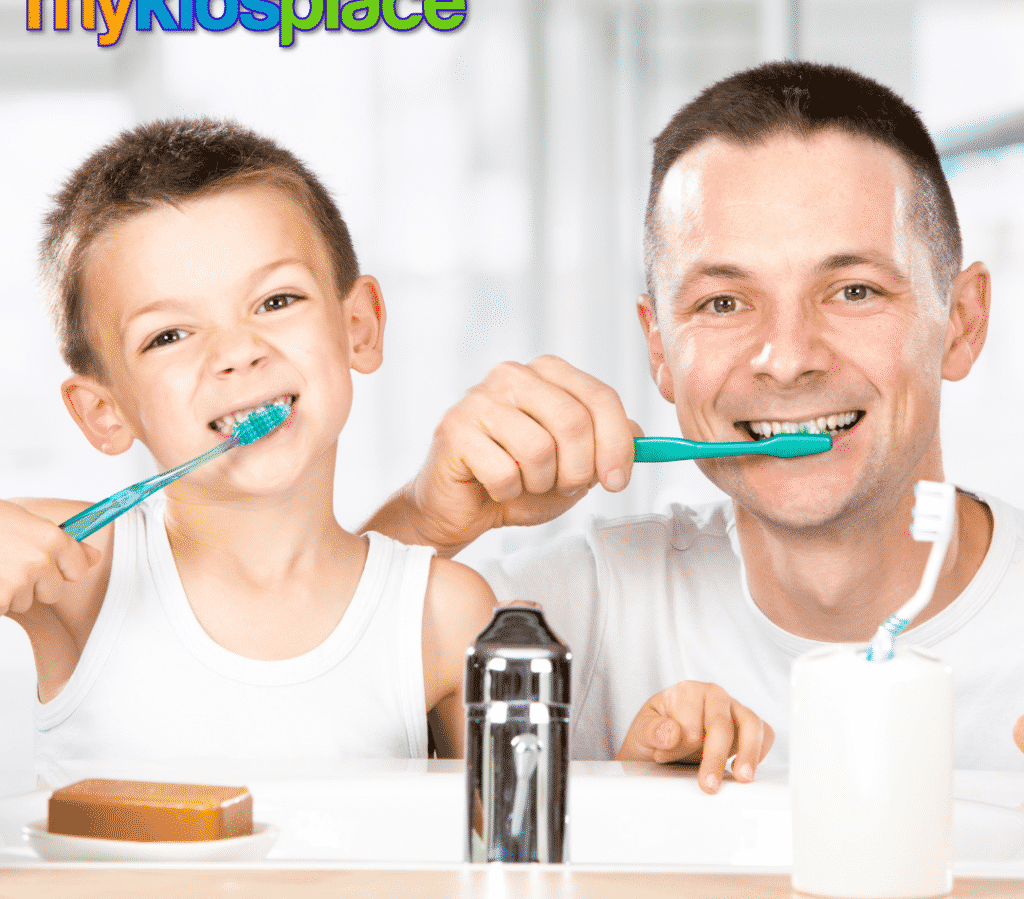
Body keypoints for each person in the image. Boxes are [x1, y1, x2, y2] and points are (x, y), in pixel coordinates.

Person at [363, 61, 1024, 793]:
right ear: (660, 350)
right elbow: (284, 732)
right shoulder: (565, 616)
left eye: (853, 290)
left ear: (962, 324)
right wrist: (422, 522)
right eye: (723, 304)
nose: (788, 360)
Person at [1, 119, 495, 786]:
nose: (237, 352)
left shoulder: (445, 613)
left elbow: (507, 862)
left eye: (277, 300)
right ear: (104, 412)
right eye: (169, 335)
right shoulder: (73, 575)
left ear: (359, 327)